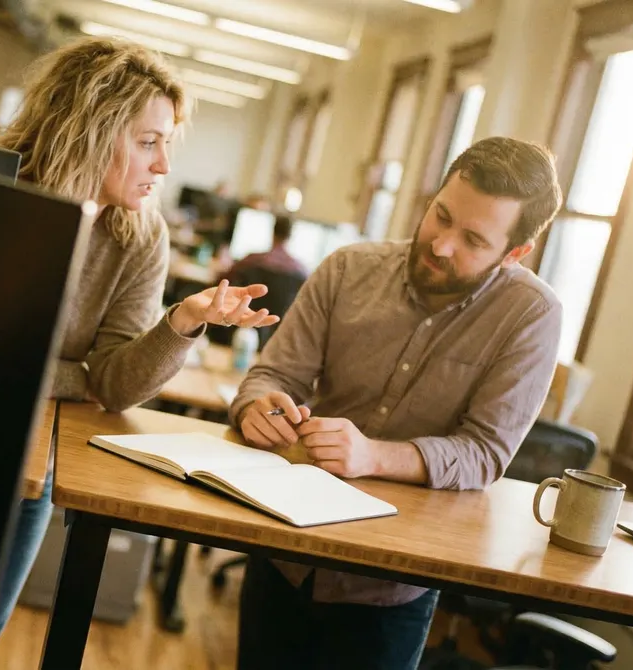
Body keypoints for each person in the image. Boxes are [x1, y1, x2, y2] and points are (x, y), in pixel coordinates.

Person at [0, 37, 279, 666]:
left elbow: (113, 384)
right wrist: (71, 374)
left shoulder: (139, 234)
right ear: (89, 131)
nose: (164, 166)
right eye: (148, 142)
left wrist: (184, 321)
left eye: (167, 143)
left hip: (32, 462)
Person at [229, 136, 565, 670]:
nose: (442, 245)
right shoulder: (346, 269)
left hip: (390, 586)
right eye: (441, 215)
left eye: (474, 239)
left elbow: (484, 453)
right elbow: (273, 373)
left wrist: (373, 456)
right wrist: (256, 407)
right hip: (284, 551)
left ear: (515, 253)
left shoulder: (531, 316)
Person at [220, 214, 309, 284]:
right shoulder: (301, 272)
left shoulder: (251, 260)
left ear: (273, 233)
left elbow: (224, 281)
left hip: (247, 306)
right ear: (290, 236)